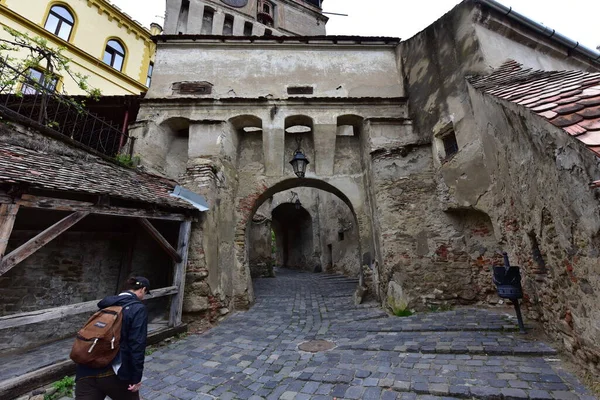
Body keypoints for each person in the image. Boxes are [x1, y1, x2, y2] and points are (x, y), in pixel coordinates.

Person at [75, 276, 150, 400]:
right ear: (143, 289)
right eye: (145, 293)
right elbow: (137, 345)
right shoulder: (138, 308)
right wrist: (136, 378)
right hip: (114, 371)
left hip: (86, 369)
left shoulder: (107, 303)